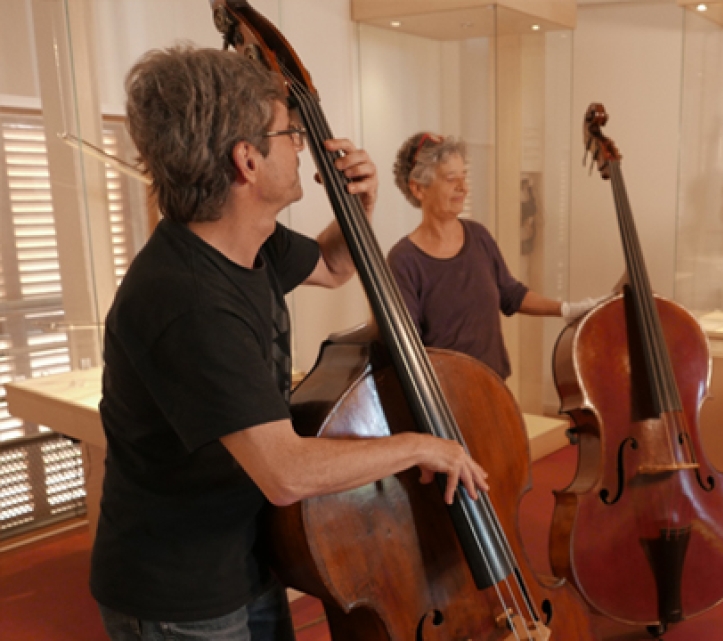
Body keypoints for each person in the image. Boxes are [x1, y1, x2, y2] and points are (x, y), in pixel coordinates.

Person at [91, 46, 488, 641]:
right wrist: (420, 446)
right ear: (247, 161)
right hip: (180, 587)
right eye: (289, 133)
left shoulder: (244, 238)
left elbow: (331, 265)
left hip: (245, 551)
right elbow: (285, 471)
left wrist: (360, 205)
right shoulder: (189, 300)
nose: (303, 145)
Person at [389, 132, 604, 380]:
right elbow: (408, 349)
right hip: (444, 399)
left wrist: (566, 309)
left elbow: (510, 294)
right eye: (451, 179)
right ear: (418, 188)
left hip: (494, 385)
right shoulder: (403, 261)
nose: (463, 187)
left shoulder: (478, 237)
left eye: (464, 176)